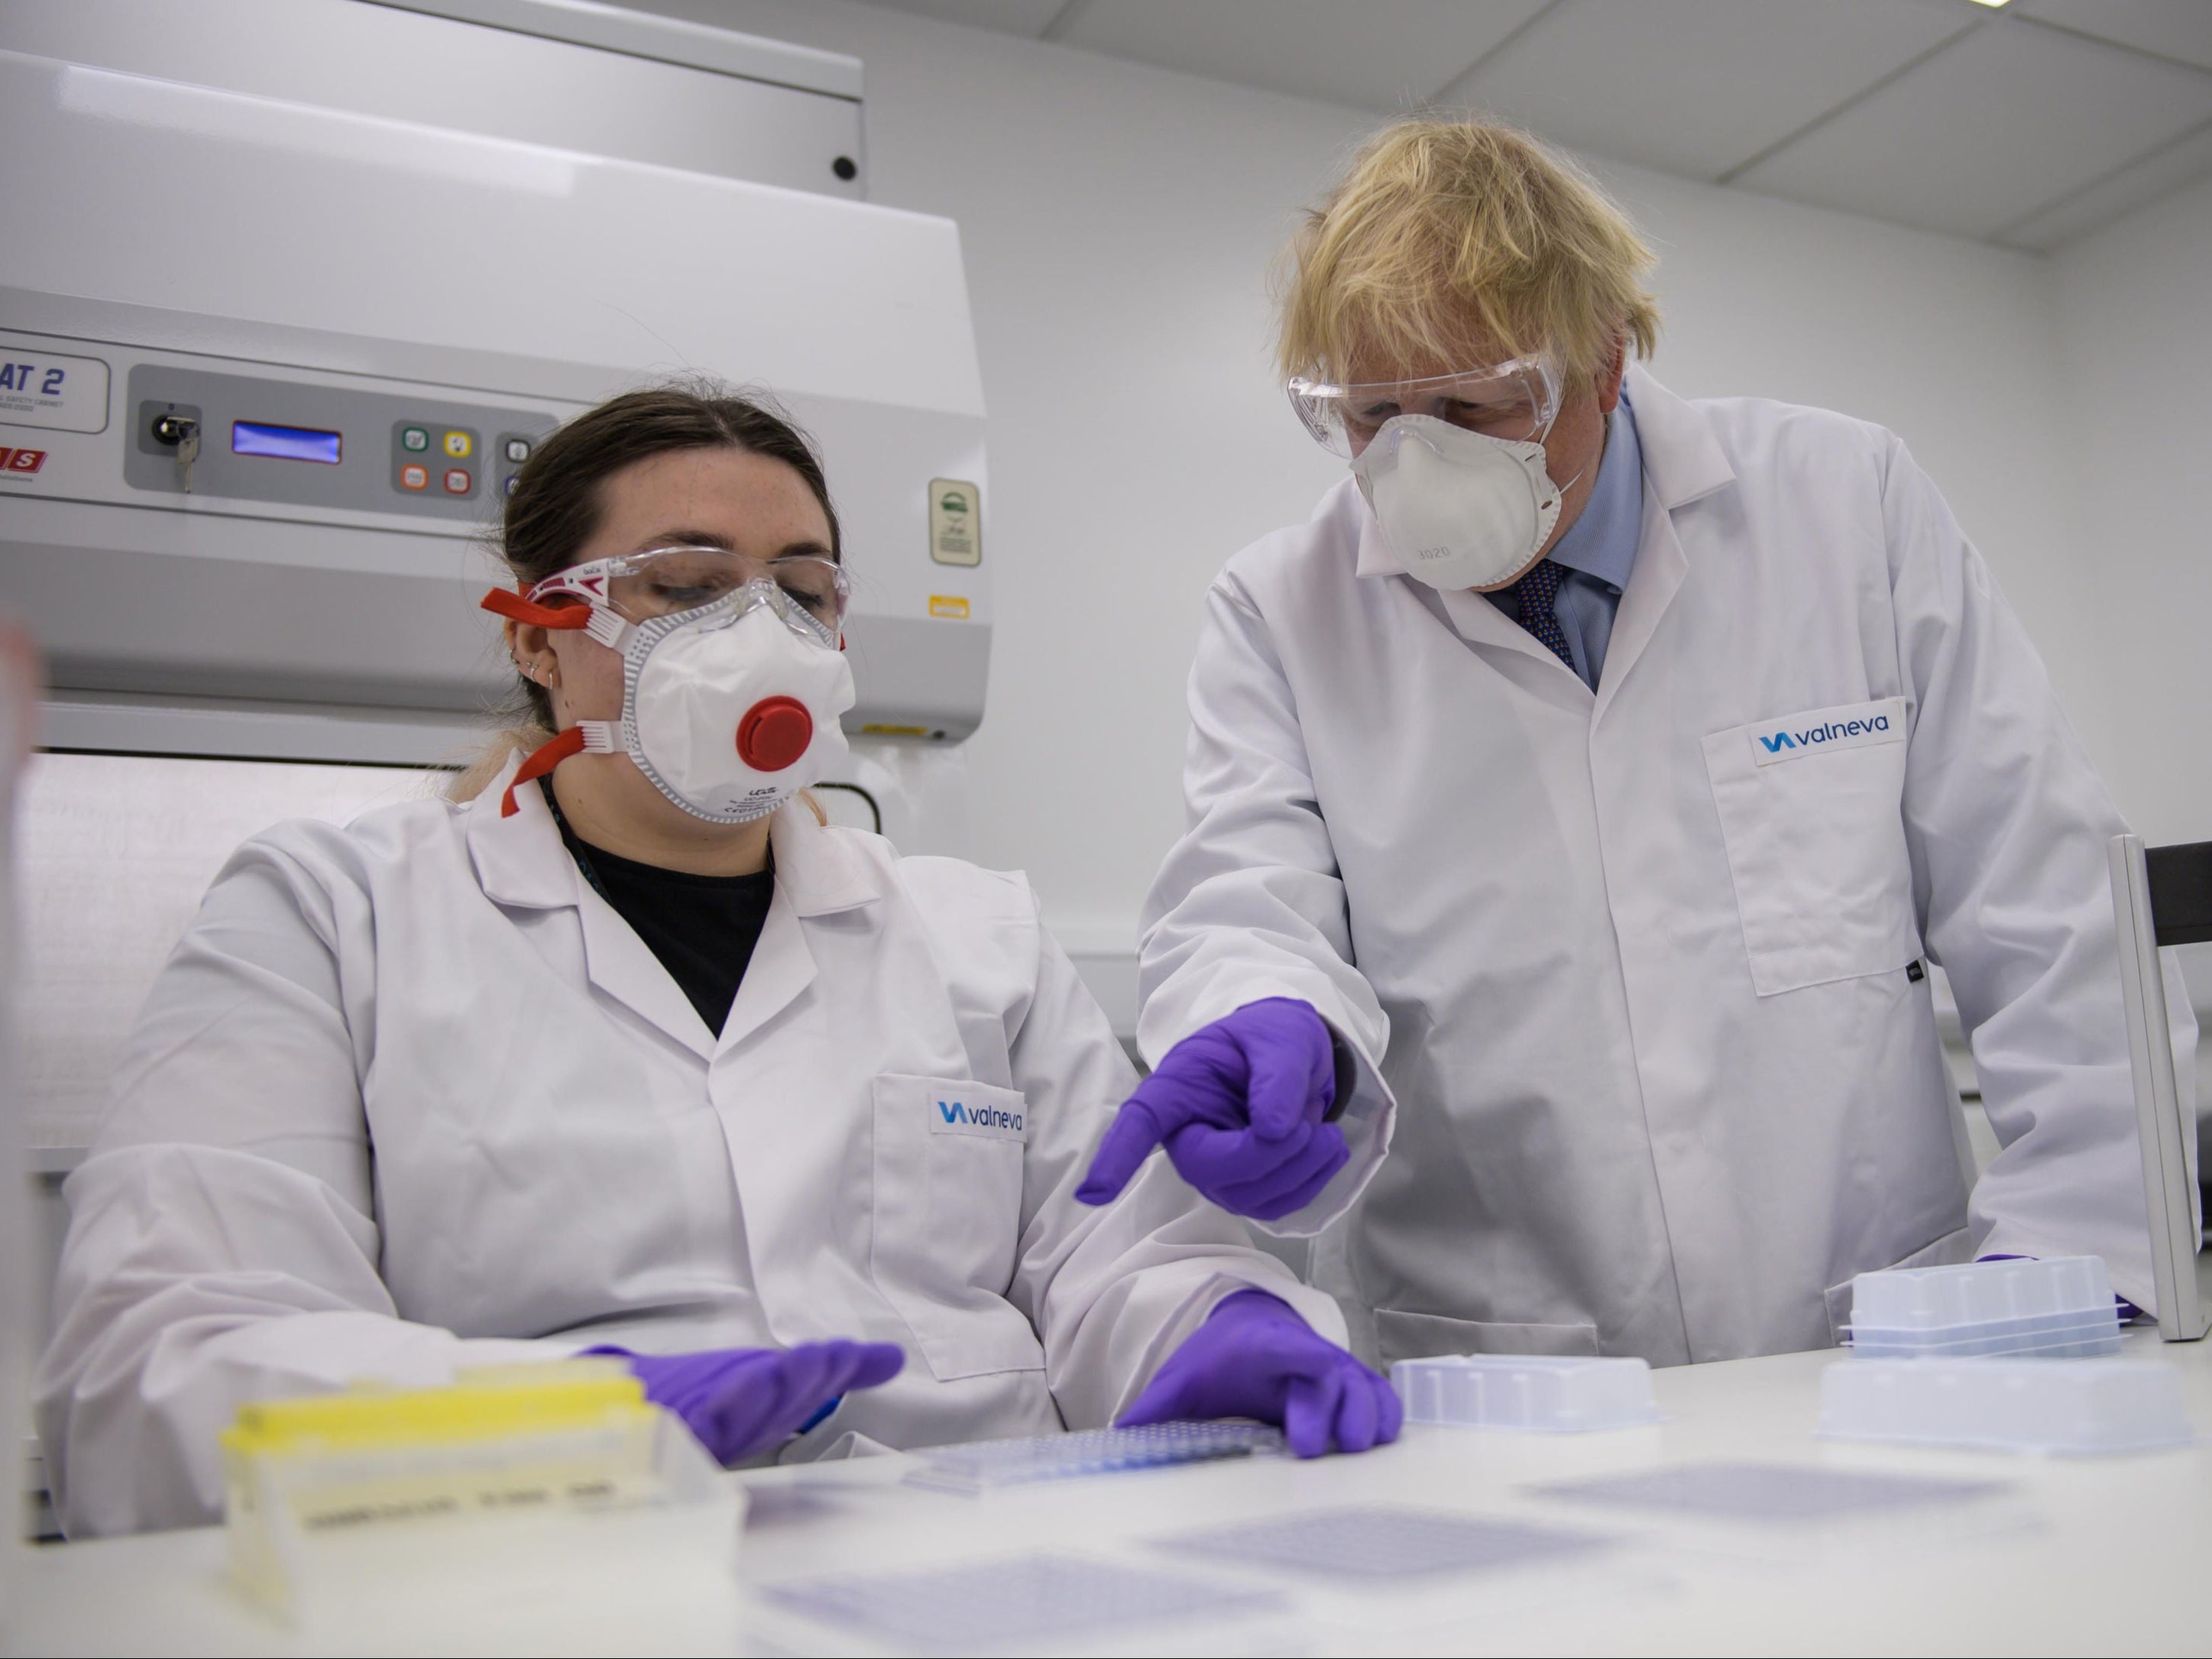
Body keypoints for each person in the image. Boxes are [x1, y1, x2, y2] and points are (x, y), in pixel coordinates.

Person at [35, 386, 1397, 1537]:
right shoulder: (333, 915)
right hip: (561, 1581)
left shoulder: (972, 934)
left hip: (985, 1573)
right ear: (538, 635)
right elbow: (162, 1358)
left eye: (803, 592)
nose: (762, 640)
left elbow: (1116, 1259)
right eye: (686, 587)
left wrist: (1205, 1327)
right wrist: (545, 1424)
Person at [1077, 118, 2190, 1366]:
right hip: (1505, 1376)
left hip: (1881, 1342)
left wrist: (2078, 1245)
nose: (1413, 464)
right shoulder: (1286, 608)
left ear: (1603, 361)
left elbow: (2044, 904)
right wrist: (1263, 1013)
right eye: (1371, 416)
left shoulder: (1843, 506)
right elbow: (1244, 895)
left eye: (1469, 406)